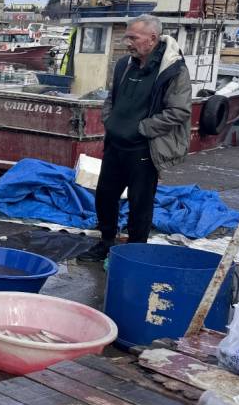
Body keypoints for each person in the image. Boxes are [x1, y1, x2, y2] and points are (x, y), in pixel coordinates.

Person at [79, 15, 191, 262]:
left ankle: (135, 252)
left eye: (133, 37)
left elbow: (180, 111)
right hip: (115, 146)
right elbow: (111, 97)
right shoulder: (123, 65)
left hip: (144, 148)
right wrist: (110, 121)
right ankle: (106, 242)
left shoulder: (174, 71)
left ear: (151, 39)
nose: (127, 42)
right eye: (126, 36)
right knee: (105, 196)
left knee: (140, 204)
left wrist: (142, 128)